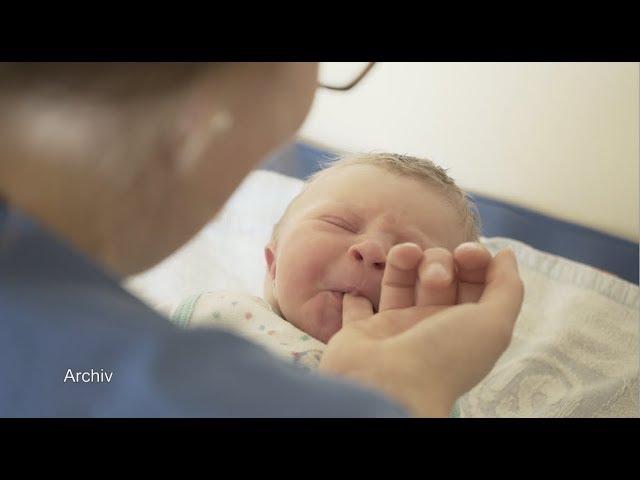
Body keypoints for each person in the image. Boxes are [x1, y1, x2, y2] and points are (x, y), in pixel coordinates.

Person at [0, 63, 523, 417]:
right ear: (271, 261)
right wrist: (393, 397)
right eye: (340, 224)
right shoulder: (192, 327)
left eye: (411, 253)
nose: (374, 252)